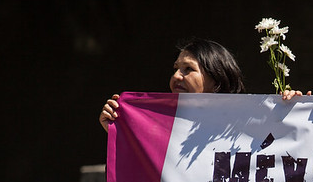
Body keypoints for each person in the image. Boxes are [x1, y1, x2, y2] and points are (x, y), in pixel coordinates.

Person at [99, 38, 245, 132]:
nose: (176, 76)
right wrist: (120, 134)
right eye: (176, 69)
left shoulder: (240, 133)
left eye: (188, 69)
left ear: (216, 81)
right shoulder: (157, 128)